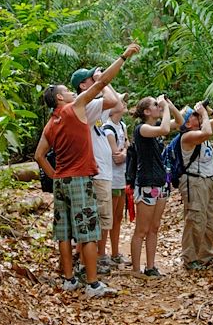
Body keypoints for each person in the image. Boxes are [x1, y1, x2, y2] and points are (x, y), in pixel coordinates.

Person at [33, 43, 140, 298]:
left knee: (65, 232)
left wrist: (55, 174)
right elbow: (102, 84)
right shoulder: (74, 108)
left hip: (62, 182)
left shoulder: (51, 123)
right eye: (66, 91)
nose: (71, 93)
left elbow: (38, 155)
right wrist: (124, 56)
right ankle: (92, 284)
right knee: (88, 232)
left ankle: (69, 279)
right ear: (60, 98)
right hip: (81, 179)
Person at [70, 65, 119, 274]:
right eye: (91, 79)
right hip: (96, 172)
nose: (97, 80)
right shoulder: (85, 106)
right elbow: (112, 100)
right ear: (83, 85)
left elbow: (117, 102)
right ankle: (86, 262)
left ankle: (94, 259)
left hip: (103, 172)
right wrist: (101, 80)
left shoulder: (93, 105)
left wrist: (102, 82)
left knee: (102, 220)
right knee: (93, 219)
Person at [130, 94, 183, 277]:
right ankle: (136, 269)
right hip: (146, 183)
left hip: (161, 183)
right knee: (142, 229)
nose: (158, 106)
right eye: (154, 105)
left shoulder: (155, 128)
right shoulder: (142, 129)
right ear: (146, 111)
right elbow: (165, 129)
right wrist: (164, 108)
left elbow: (180, 122)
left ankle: (151, 267)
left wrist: (169, 104)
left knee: (155, 226)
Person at [178, 102, 213, 270]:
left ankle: (205, 255)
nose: (197, 115)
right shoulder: (188, 136)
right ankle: (190, 258)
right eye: (193, 114)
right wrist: (204, 114)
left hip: (209, 180)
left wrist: (209, 110)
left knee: (209, 219)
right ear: (187, 123)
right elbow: (207, 132)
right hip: (195, 182)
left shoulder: (202, 131)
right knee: (195, 220)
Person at [102, 95, 129, 267]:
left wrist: (124, 151)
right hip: (111, 177)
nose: (124, 103)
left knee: (118, 216)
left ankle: (115, 252)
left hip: (121, 178)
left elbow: (126, 147)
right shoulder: (108, 128)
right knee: (108, 217)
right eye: (121, 101)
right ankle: (101, 253)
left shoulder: (123, 126)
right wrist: (125, 152)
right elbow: (117, 156)